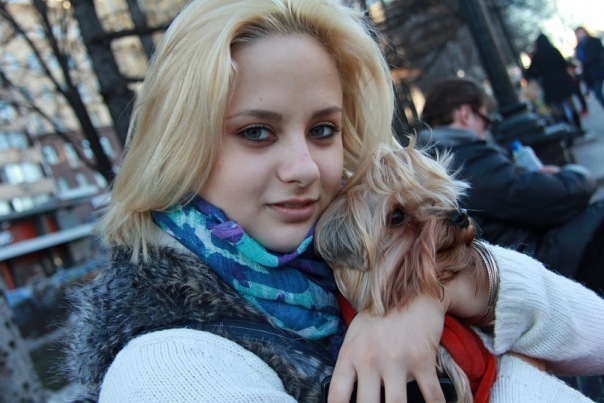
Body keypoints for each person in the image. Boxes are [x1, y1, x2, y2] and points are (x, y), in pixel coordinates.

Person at [63, 1, 604, 402]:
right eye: (256, 132)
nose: (305, 168)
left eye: (323, 129)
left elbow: (593, 332)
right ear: (181, 144)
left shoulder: (351, 251)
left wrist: (441, 291)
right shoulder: (168, 366)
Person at [419, 77, 604, 295]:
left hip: (499, 270)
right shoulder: (466, 160)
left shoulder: (433, 161)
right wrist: (575, 174)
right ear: (465, 114)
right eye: (485, 122)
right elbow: (559, 197)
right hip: (529, 266)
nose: (486, 130)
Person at [525, 33, 584, 132]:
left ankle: (568, 129)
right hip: (562, 80)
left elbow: (531, 72)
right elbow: (564, 64)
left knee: (560, 108)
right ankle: (578, 127)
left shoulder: (537, 56)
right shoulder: (554, 51)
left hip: (550, 84)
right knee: (571, 104)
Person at [575, 26, 604, 110]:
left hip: (599, 68)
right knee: (598, 93)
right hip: (591, 74)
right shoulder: (578, 47)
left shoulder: (594, 41)